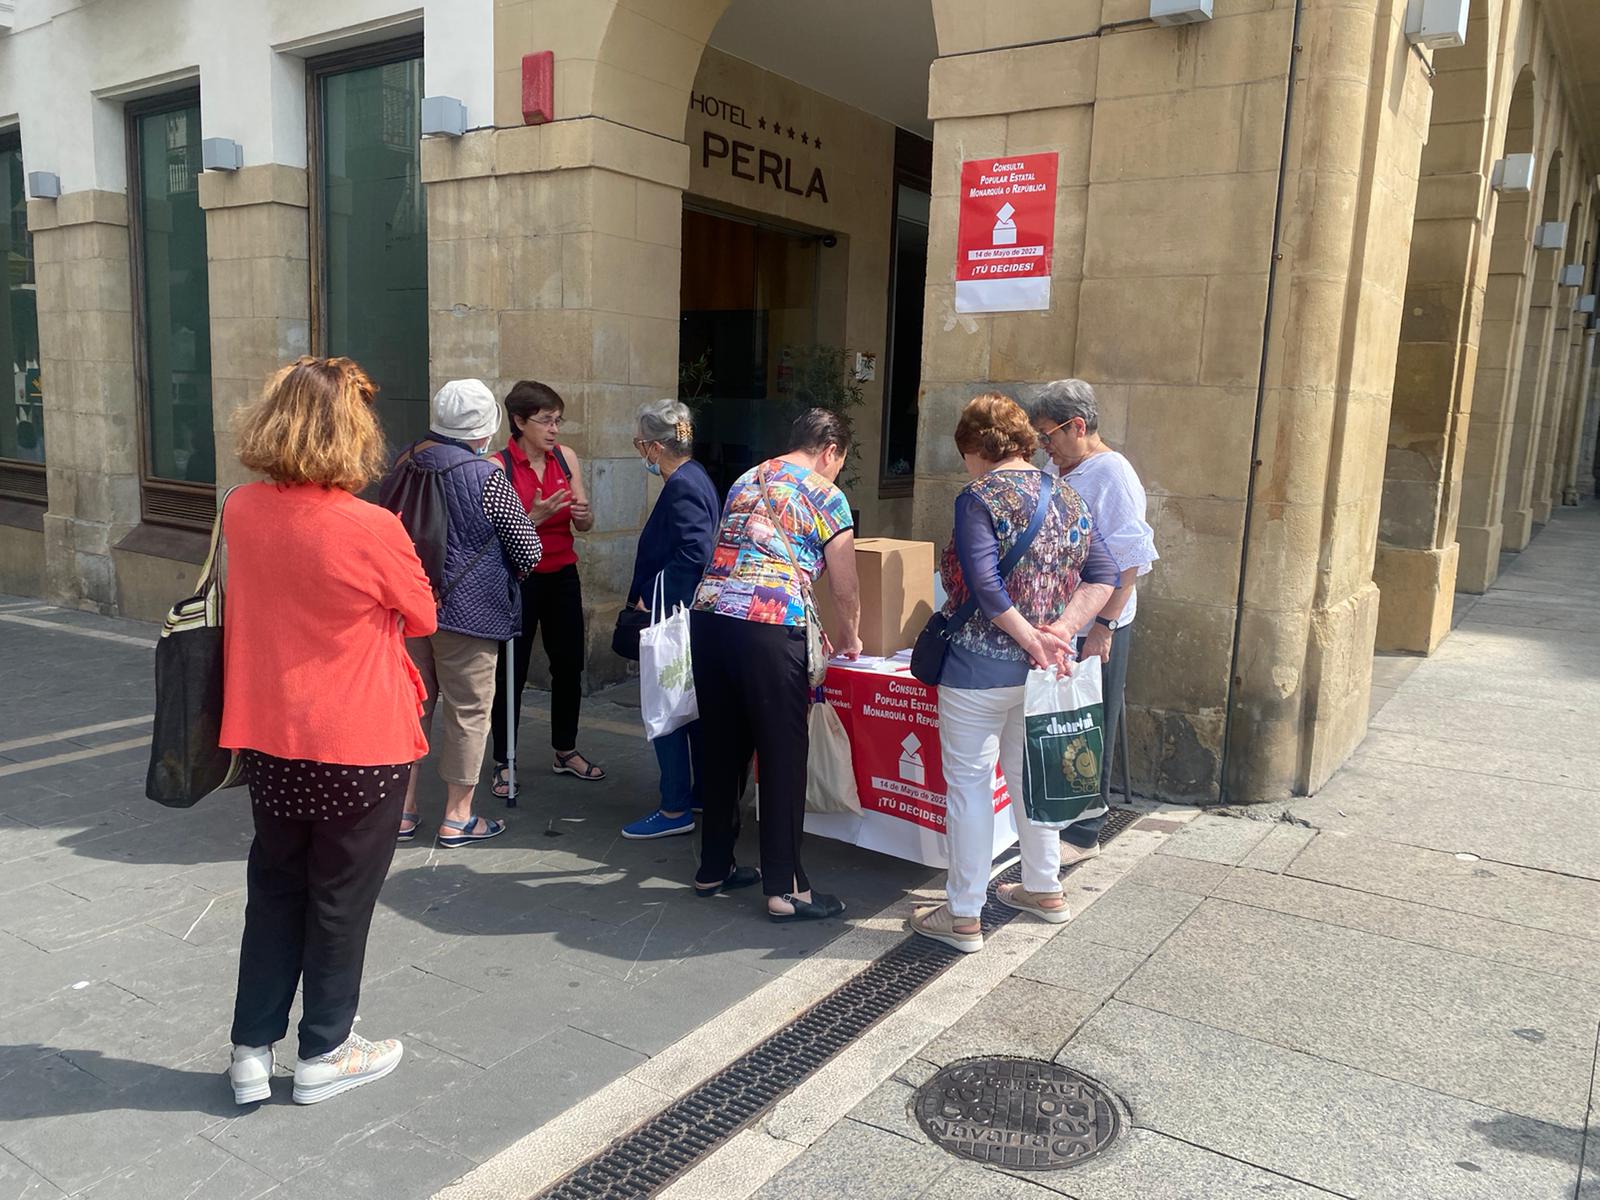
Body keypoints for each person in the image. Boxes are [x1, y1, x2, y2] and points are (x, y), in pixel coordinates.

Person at [219, 356, 436, 1105]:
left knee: (275, 887)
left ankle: (252, 1050)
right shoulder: (370, 525)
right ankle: (325, 1052)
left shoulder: (240, 508)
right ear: (352, 431)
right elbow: (425, 614)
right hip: (360, 739)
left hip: (271, 732)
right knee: (340, 897)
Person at [910, 393, 1118, 955]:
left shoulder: (980, 496)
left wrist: (1031, 637)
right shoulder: (1070, 496)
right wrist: (1059, 633)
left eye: (966, 453)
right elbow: (1105, 575)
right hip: (1042, 673)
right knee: (1033, 779)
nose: (966, 466)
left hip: (978, 668)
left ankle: (963, 915)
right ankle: (1044, 889)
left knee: (971, 789)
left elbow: (983, 584)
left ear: (977, 446)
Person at [690, 408, 863, 919]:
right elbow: (844, 583)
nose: (836, 471)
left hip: (710, 617)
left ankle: (713, 867)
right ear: (830, 450)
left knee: (723, 747)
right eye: (839, 461)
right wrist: (850, 634)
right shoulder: (826, 494)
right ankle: (787, 887)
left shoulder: (748, 477)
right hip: (769, 624)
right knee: (783, 753)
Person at [390, 380, 542, 846]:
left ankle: (401, 811)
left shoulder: (402, 463)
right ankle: (457, 817)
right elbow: (528, 548)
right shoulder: (487, 475)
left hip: (406, 605)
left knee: (411, 706)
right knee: (469, 710)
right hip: (468, 613)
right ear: (485, 428)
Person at [1028, 379, 1158, 866]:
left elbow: (1132, 559)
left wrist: (1104, 624)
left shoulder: (1113, 474)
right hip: (1058, 619)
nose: (1045, 446)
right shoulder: (1059, 466)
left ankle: (1086, 831)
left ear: (1077, 426)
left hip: (1097, 622)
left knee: (1090, 720)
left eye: (1049, 435)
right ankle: (1059, 814)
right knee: (1059, 717)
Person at [489, 380, 604, 795]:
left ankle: (565, 749)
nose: (554, 429)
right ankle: (504, 760)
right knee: (511, 672)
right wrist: (532, 516)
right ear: (519, 421)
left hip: (562, 574)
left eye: (558, 420)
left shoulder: (566, 458)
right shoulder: (498, 465)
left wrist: (584, 514)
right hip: (520, 579)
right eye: (545, 421)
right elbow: (492, 536)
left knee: (569, 665)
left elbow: (585, 524)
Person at [620, 400, 722, 840]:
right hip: (687, 616)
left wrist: (649, 594)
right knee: (688, 710)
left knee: (666, 712)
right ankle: (695, 794)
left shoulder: (681, 485)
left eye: (641, 445)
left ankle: (674, 806)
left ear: (655, 447)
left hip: (670, 616)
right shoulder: (695, 475)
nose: (641, 453)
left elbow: (695, 553)